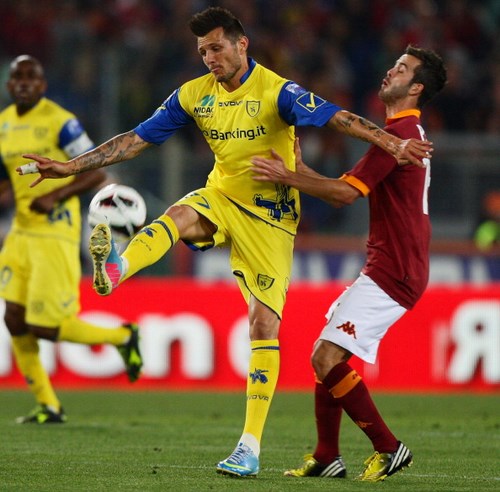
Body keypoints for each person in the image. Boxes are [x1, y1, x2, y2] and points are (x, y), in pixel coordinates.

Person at [17, 8, 432, 476]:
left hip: (271, 218)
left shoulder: (277, 91)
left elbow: (340, 119)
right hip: (222, 194)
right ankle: (117, 269)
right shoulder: (193, 95)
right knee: (179, 215)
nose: (209, 58)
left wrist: (391, 143)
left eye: (216, 48)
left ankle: (249, 448)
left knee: (262, 326)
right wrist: (70, 167)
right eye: (202, 52)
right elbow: (135, 139)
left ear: (241, 44)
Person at [251, 45, 447, 481]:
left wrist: (286, 176)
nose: (390, 71)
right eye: (393, 64)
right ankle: (327, 456)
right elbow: (345, 184)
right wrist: (301, 171)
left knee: (325, 357)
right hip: (390, 265)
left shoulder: (399, 138)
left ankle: (388, 447)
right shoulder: (398, 134)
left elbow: (343, 196)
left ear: (416, 88)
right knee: (327, 353)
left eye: (402, 69)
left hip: (395, 270)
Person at [0, 55, 143, 424]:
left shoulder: (61, 122)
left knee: (44, 327)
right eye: (18, 77)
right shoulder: (3, 124)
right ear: (9, 85)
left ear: (43, 85)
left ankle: (123, 337)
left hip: (55, 232)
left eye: (32, 77)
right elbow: (8, 178)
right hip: (20, 232)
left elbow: (98, 171)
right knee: (13, 318)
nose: (24, 83)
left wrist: (56, 195)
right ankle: (48, 405)